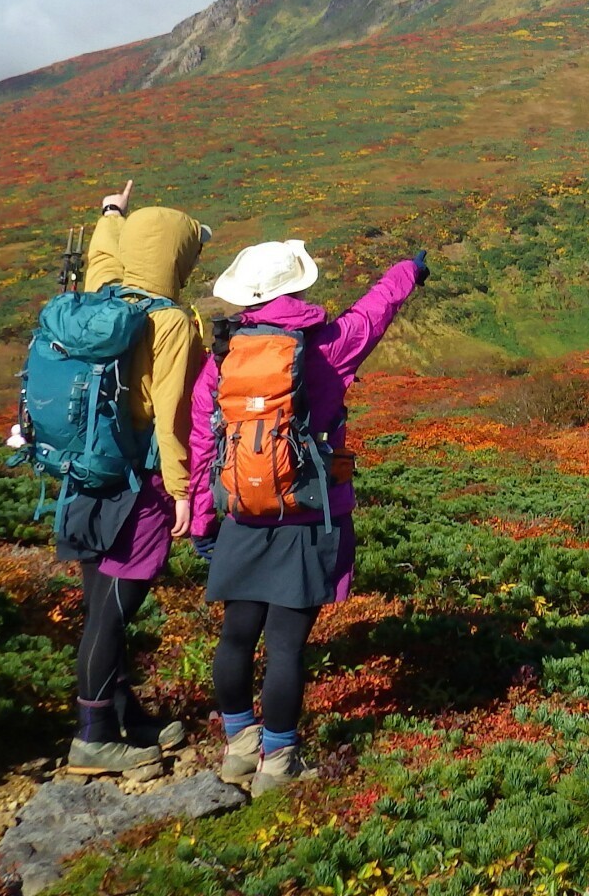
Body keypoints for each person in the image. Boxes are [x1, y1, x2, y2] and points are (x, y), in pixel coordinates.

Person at [188, 240, 426, 796]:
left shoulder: (222, 356)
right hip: (308, 513)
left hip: (242, 513)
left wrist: (203, 519)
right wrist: (409, 269)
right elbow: (377, 308)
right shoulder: (329, 346)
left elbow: (203, 440)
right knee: (288, 644)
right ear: (295, 287)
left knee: (237, 634)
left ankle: (240, 748)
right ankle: (280, 762)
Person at [60, 180, 210, 776]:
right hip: (137, 483)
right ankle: (93, 735)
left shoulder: (97, 298)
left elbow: (101, 255)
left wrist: (110, 212)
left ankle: (124, 714)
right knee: (113, 610)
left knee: (100, 599)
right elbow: (171, 415)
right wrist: (181, 491)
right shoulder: (168, 321)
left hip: (83, 474)